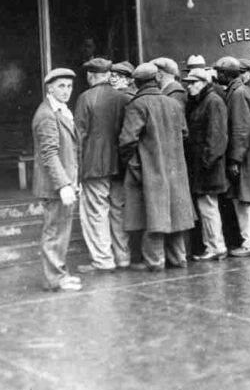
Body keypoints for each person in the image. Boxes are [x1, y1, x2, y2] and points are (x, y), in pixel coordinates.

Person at [119, 63, 195, 271]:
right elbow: (184, 134)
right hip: (175, 169)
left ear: (137, 82)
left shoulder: (138, 105)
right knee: (175, 215)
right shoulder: (173, 104)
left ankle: (156, 261)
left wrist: (133, 163)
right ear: (155, 80)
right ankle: (179, 258)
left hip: (149, 169)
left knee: (152, 215)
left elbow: (127, 141)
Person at [74, 58, 130, 274]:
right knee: (118, 211)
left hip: (94, 165)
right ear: (108, 74)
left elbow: (79, 136)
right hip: (119, 165)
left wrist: (77, 171)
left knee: (96, 213)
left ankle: (103, 260)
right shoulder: (122, 97)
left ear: (90, 75)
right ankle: (123, 257)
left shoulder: (85, 98)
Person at [32, 68, 82, 292]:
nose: (67, 91)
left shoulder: (60, 111)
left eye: (69, 86)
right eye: (61, 86)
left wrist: (73, 181)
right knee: (54, 231)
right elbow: (49, 154)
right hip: (55, 185)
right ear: (49, 87)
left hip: (64, 182)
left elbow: (70, 150)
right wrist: (63, 184)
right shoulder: (47, 115)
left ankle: (60, 274)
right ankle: (54, 278)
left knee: (61, 231)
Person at [214, 56, 250, 258]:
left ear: (227, 74)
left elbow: (241, 130)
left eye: (219, 73)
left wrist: (235, 160)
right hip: (244, 156)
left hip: (243, 157)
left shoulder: (238, 93)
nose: (217, 76)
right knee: (243, 198)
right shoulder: (239, 91)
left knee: (245, 199)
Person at [183, 67, 229, 261]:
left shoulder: (212, 102)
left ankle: (216, 246)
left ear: (203, 83)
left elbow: (217, 137)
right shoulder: (204, 101)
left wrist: (206, 162)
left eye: (193, 83)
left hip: (208, 167)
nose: (189, 87)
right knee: (206, 207)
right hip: (204, 166)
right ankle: (212, 245)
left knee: (208, 207)